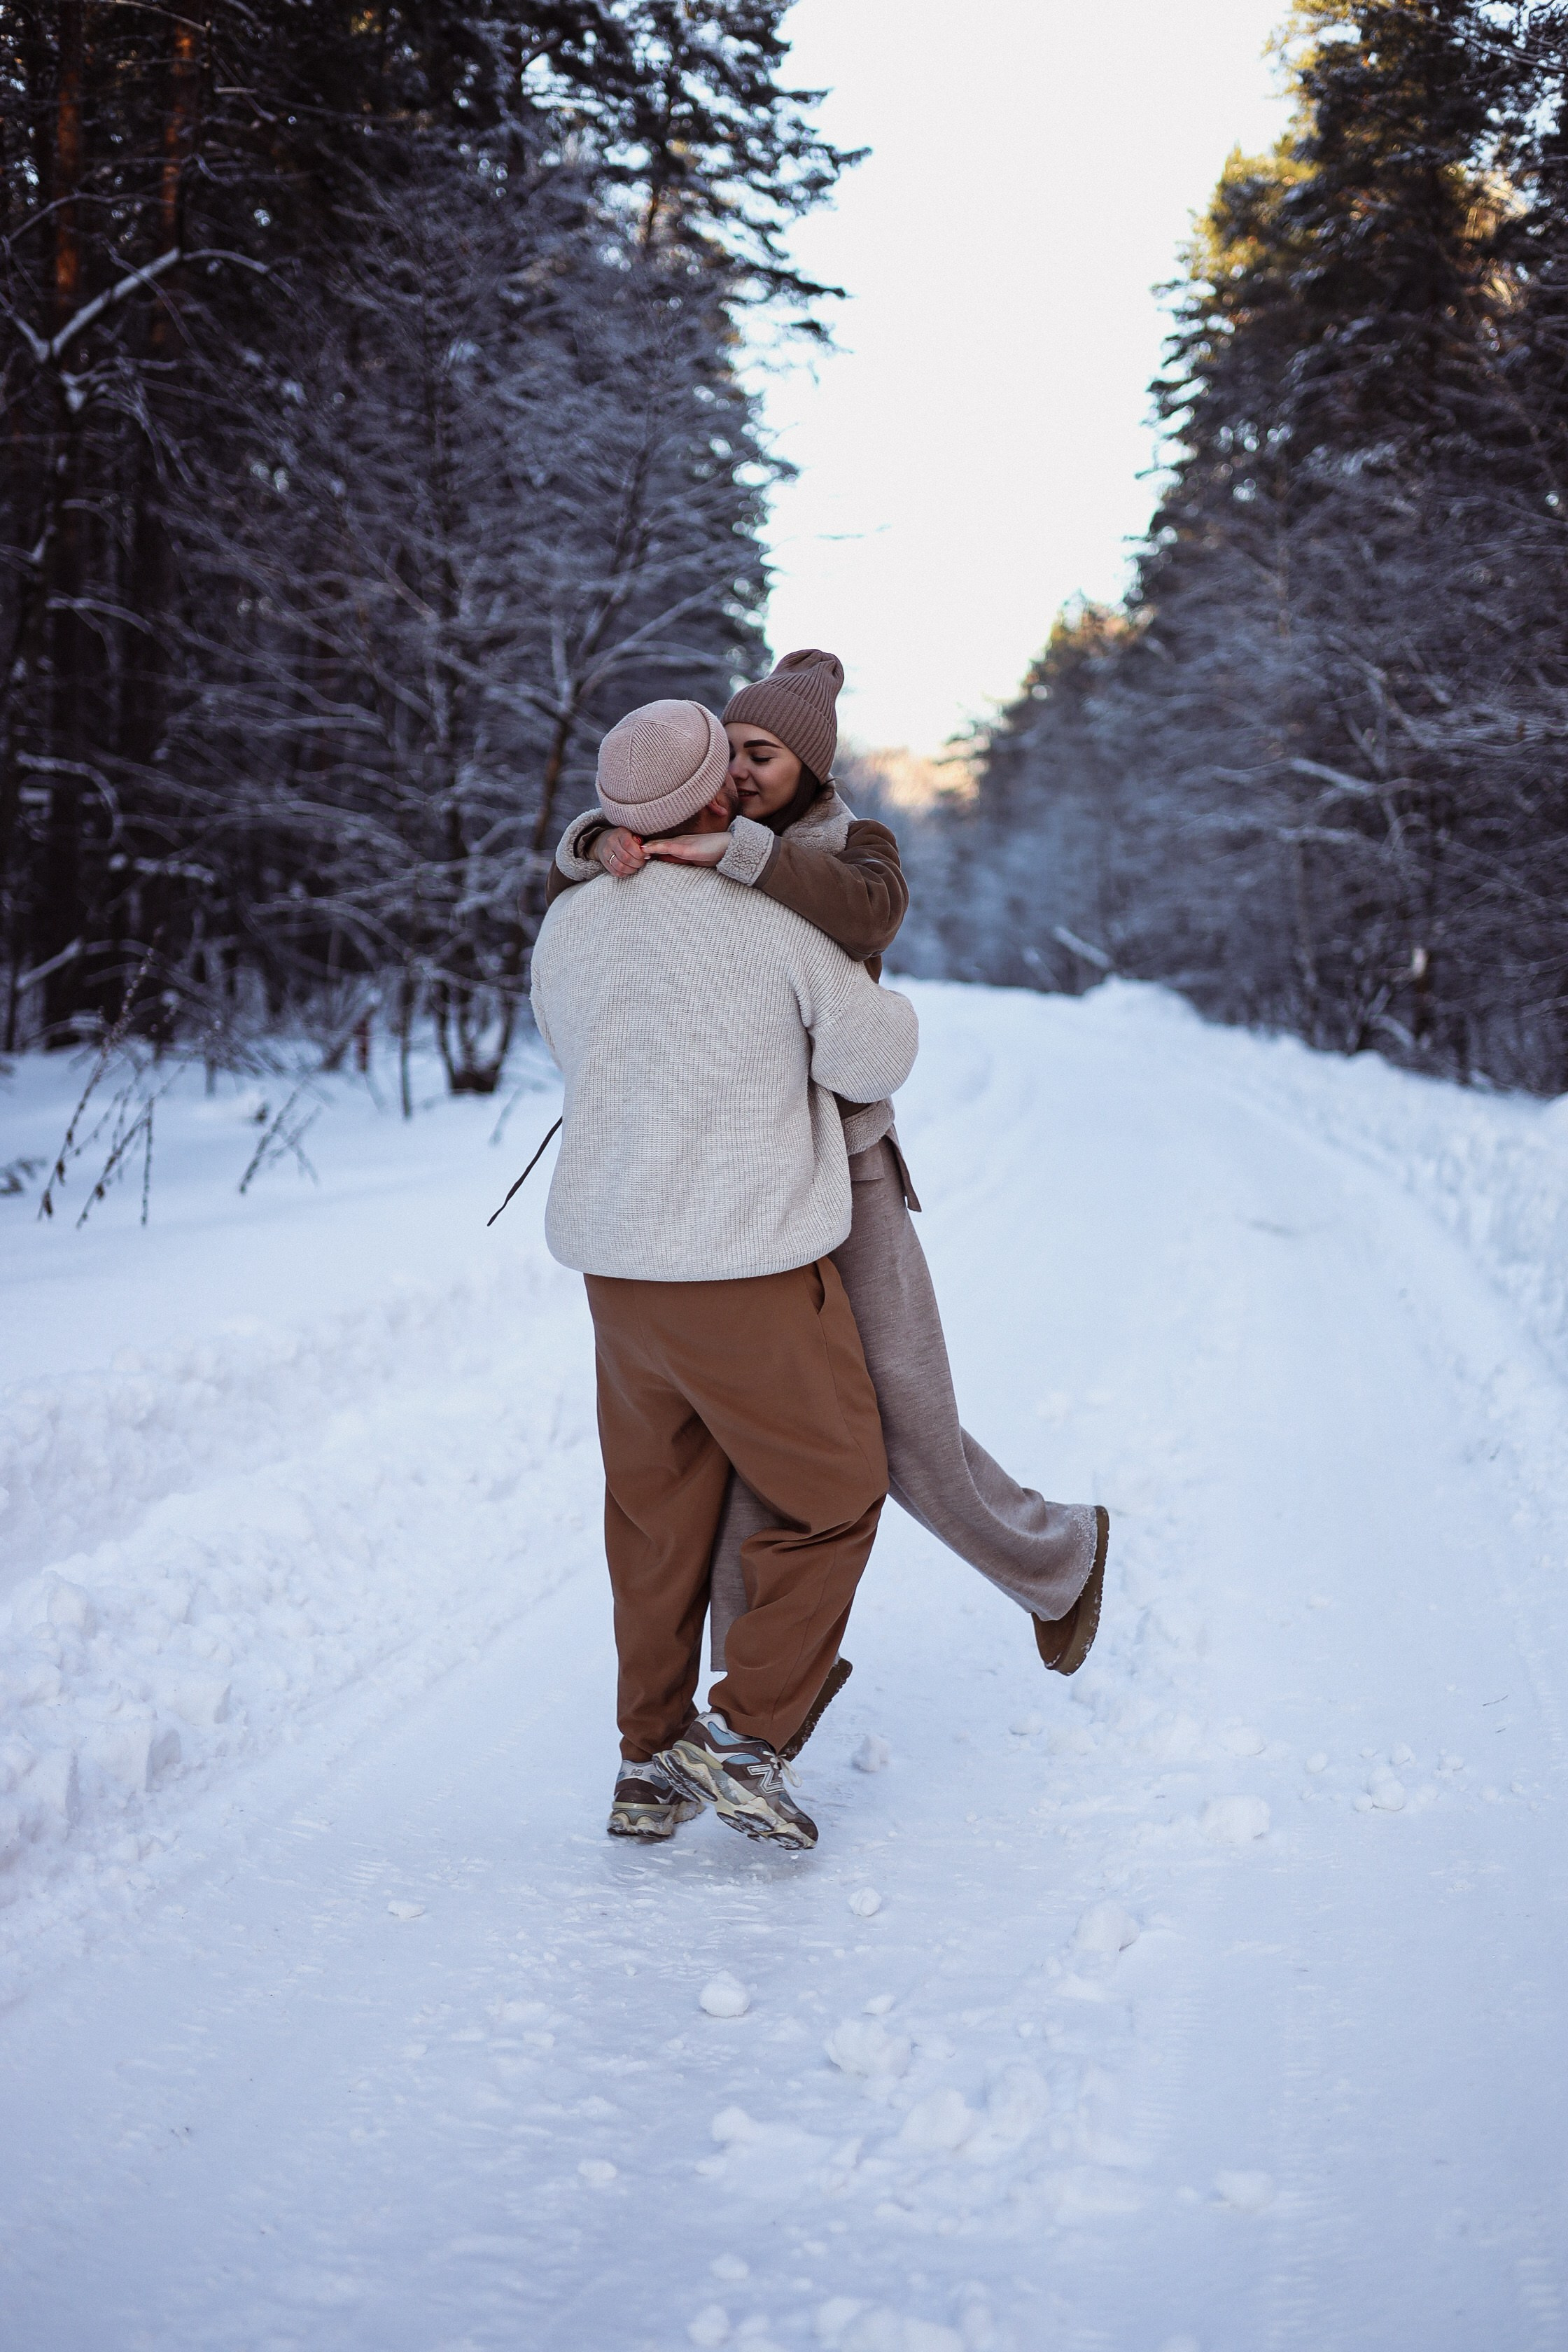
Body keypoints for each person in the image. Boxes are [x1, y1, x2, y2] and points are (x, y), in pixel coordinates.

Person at [548, 649, 1110, 1706]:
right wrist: (601, 839)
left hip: (844, 1169)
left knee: (900, 1421)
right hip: (745, 1173)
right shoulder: (677, 846)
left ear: (808, 766)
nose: (746, 771)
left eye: (764, 755)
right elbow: (579, 894)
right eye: (734, 750)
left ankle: (1057, 1560)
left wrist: (733, 850)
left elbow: (868, 918)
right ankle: (751, 1708)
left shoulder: (854, 843)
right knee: (767, 1441)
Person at [529, 697, 919, 1852]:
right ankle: (743, 1741)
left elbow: (572, 1043)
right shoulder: (767, 921)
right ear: (716, 794)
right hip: (743, 1270)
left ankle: (646, 1763)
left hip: (619, 1278)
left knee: (654, 1524)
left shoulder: (571, 924)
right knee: (837, 1492)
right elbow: (874, 1051)